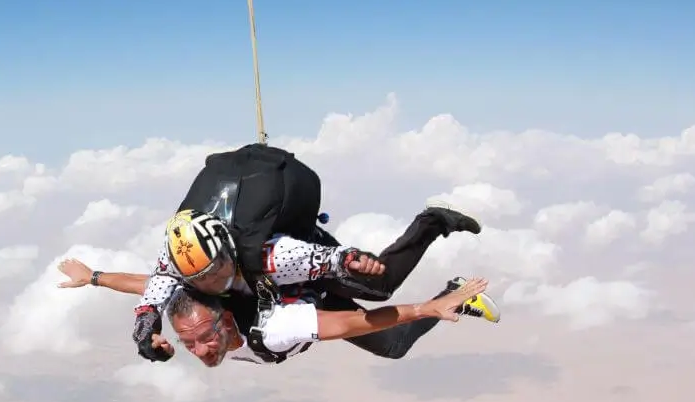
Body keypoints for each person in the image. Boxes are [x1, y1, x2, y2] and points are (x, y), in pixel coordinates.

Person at [131, 142, 483, 363]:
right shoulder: (180, 263)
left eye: (217, 270)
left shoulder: (270, 256)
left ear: (226, 247)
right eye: (201, 279)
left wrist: (348, 260)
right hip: (292, 295)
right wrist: (144, 324)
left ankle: (434, 219)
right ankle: (455, 294)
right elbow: (151, 286)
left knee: (380, 286)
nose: (213, 283)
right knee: (392, 346)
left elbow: (323, 261)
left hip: (304, 268)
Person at [57, 258, 499, 365]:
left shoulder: (272, 329)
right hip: (297, 302)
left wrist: (427, 307)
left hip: (309, 300)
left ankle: (455, 292)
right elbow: (149, 284)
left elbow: (356, 322)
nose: (200, 348)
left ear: (223, 319)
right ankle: (446, 296)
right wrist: (93, 277)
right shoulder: (197, 315)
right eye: (188, 342)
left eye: (203, 338)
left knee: (393, 343)